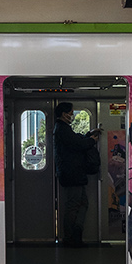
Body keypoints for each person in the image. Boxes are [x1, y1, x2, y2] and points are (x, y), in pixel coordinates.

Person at [52, 102, 100, 247]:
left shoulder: (64, 129)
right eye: (70, 113)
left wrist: (88, 135)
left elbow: (76, 141)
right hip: (72, 174)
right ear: (63, 113)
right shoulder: (62, 129)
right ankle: (70, 238)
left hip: (74, 174)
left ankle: (77, 231)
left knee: (83, 203)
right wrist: (91, 141)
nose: (72, 115)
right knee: (73, 205)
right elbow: (77, 145)